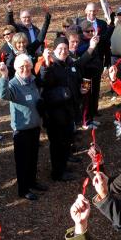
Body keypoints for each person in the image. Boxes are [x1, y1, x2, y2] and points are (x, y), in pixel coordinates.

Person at [0, 54, 47, 200]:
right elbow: (2, 94)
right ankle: (23, 189)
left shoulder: (33, 81)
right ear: (16, 68)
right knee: (23, 161)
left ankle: (32, 182)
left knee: (33, 157)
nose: (25, 69)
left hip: (34, 126)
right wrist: (4, 76)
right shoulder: (13, 84)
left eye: (27, 66)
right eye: (21, 67)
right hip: (21, 129)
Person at [39, 36, 79, 181]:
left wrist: (80, 90)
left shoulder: (69, 63)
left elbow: (74, 82)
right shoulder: (51, 64)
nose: (63, 51)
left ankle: (63, 166)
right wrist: (46, 65)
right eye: (60, 48)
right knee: (57, 143)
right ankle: (58, 172)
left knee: (66, 140)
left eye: (65, 48)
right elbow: (43, 81)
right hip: (54, 113)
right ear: (54, 50)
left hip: (68, 111)